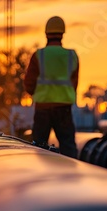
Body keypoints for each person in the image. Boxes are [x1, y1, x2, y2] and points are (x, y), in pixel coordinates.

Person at [24, 16, 79, 158]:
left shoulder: (39, 55)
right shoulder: (71, 56)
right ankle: (72, 177)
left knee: (38, 148)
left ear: (46, 34)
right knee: (68, 149)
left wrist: (40, 94)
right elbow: (74, 83)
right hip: (64, 108)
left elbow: (29, 84)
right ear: (62, 34)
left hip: (43, 107)